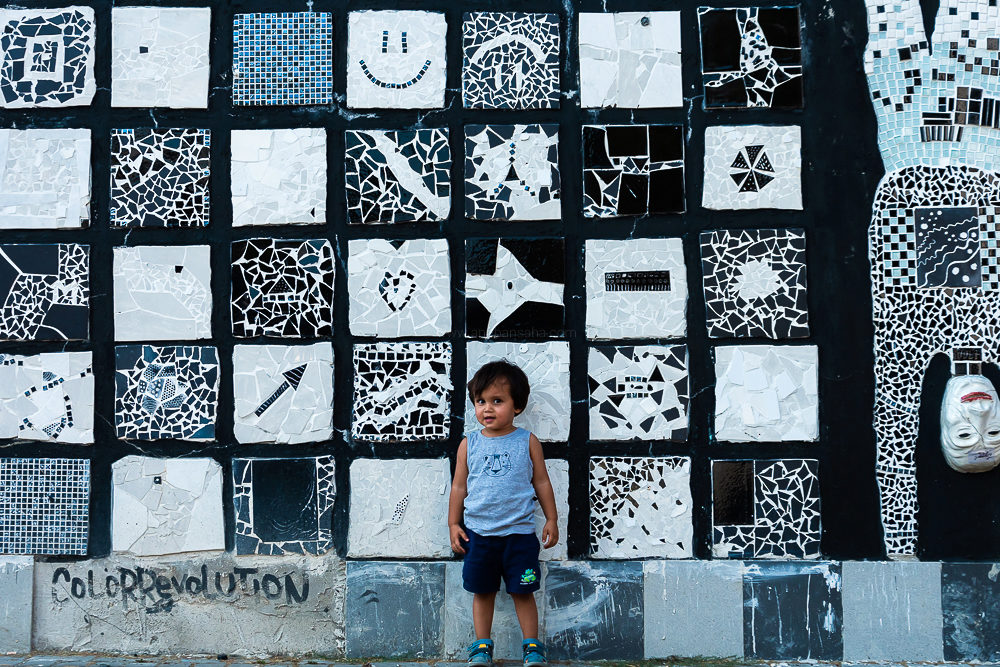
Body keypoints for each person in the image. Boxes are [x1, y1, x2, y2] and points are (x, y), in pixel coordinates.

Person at [448, 360, 559, 667]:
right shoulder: (469, 444)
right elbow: (459, 486)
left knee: (523, 592)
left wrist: (552, 518)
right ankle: (481, 648)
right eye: (480, 401)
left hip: (519, 536)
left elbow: (541, 482)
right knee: (482, 592)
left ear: (517, 406)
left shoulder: (527, 442)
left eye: (497, 401)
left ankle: (532, 647)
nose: (487, 408)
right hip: (479, 536)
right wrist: (453, 523)